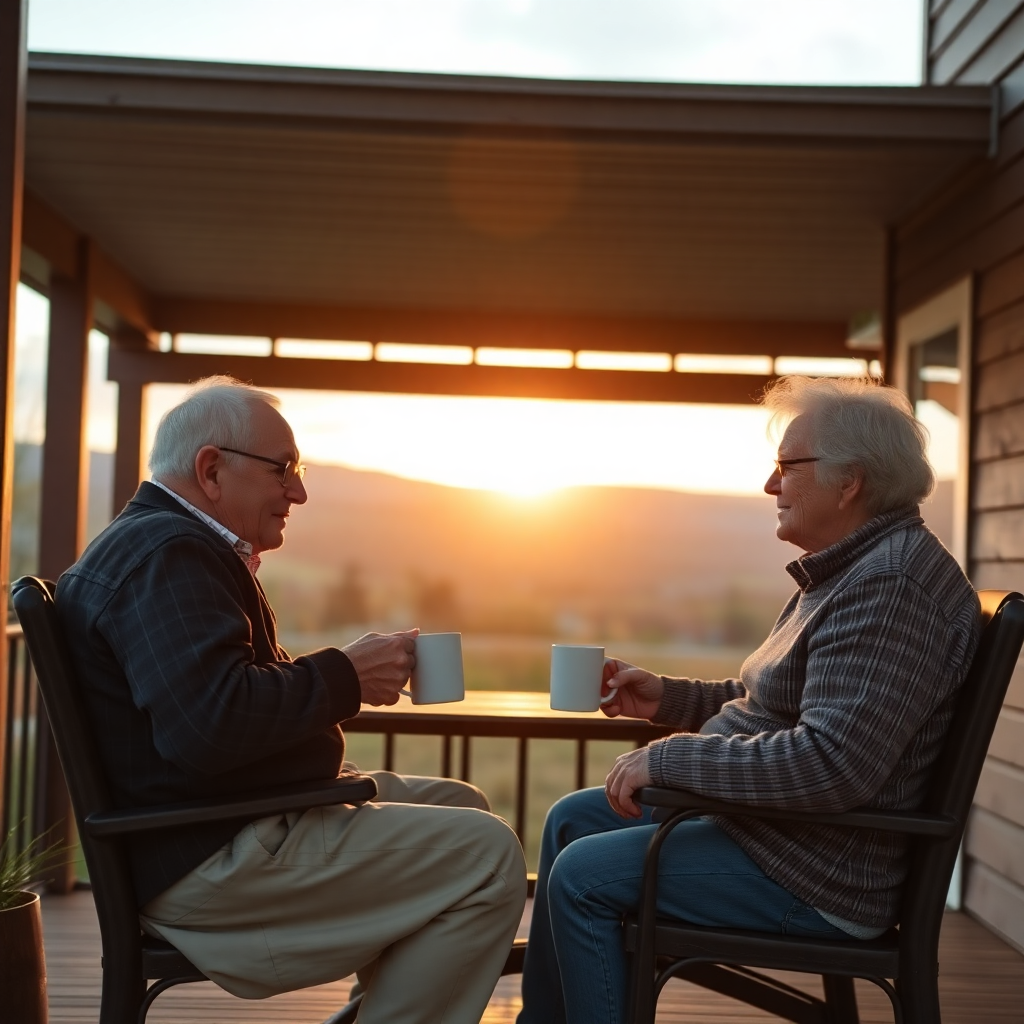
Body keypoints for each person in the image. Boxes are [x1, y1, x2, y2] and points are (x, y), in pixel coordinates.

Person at [56, 376, 527, 1024]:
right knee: (485, 854)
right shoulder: (169, 557)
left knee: (462, 804)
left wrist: (345, 676)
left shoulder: (164, 548)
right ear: (212, 469)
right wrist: (344, 677)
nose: (299, 491)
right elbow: (209, 727)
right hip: (210, 858)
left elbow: (205, 708)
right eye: (284, 469)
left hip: (213, 823)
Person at [517, 375, 981, 1024]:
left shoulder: (891, 588)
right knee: (572, 819)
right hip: (780, 834)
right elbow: (776, 704)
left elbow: (833, 764)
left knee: (583, 877)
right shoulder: (850, 569)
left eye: (789, 467)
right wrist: (668, 701)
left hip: (818, 869)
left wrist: (671, 760)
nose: (770, 486)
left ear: (850, 481)